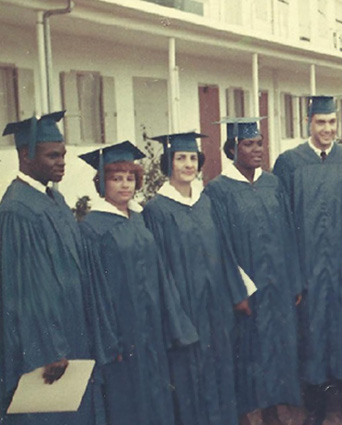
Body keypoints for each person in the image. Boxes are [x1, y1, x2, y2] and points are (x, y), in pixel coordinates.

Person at [77, 141, 199, 425]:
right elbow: (96, 292)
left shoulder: (138, 219)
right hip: (123, 333)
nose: (124, 185)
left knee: (157, 393)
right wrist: (109, 341)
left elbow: (159, 272)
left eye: (130, 178)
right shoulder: (92, 228)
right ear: (101, 182)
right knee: (128, 401)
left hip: (151, 328)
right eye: (116, 178)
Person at [0, 112, 107, 425]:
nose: (61, 162)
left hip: (70, 331)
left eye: (63, 154)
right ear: (25, 155)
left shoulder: (53, 199)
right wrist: (48, 347)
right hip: (46, 346)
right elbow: (24, 288)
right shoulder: (17, 210)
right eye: (52, 155)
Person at [142, 132, 249, 425]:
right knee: (191, 380)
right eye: (180, 158)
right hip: (185, 313)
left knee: (221, 372)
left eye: (192, 158)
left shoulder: (206, 203)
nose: (188, 165)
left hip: (216, 309)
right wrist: (175, 318)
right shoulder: (156, 210)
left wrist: (237, 295)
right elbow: (159, 271)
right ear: (168, 163)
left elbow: (225, 251)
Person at [273, 95, 342, 425]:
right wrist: (293, 275)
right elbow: (281, 222)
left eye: (332, 123)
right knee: (311, 337)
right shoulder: (288, 163)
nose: (327, 129)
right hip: (308, 268)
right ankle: (315, 413)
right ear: (308, 123)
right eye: (320, 122)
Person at [205, 118, 303, 425]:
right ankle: (254, 410)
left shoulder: (273, 184)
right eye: (249, 144)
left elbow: (289, 234)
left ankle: (280, 403)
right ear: (232, 149)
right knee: (250, 349)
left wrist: (295, 281)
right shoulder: (217, 191)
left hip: (278, 285)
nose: (257, 149)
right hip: (247, 290)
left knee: (280, 343)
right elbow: (220, 248)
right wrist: (237, 291)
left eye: (260, 143)